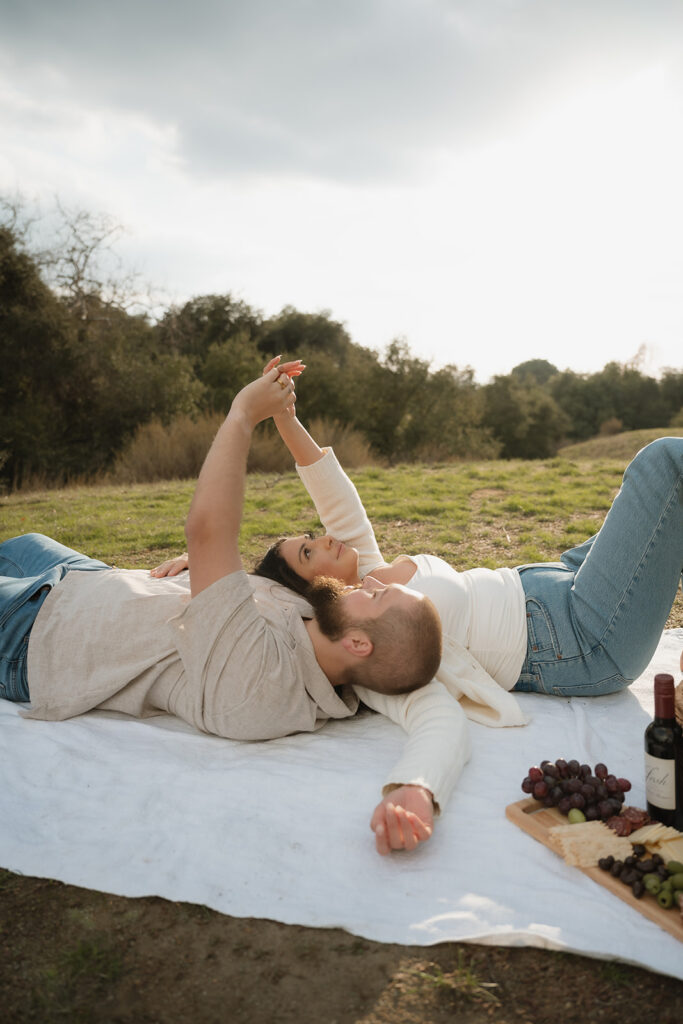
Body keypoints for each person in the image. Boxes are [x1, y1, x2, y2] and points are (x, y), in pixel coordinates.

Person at [155, 357, 683, 855]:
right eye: (309, 553)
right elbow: (438, 723)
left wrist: (285, 418)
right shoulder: (382, 644)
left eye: (312, 536)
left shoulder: (371, 576)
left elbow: (334, 495)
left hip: (559, 581)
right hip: (582, 637)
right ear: (311, 593)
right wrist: (417, 787)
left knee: (668, 507)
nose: (325, 538)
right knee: (664, 465)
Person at [0, 363, 444, 790]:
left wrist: (243, 414)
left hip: (35, 633)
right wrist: (201, 571)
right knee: (24, 542)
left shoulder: (265, 685)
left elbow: (207, 531)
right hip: (86, 579)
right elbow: (341, 516)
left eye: (378, 595)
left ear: (359, 644)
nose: (372, 581)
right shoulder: (323, 615)